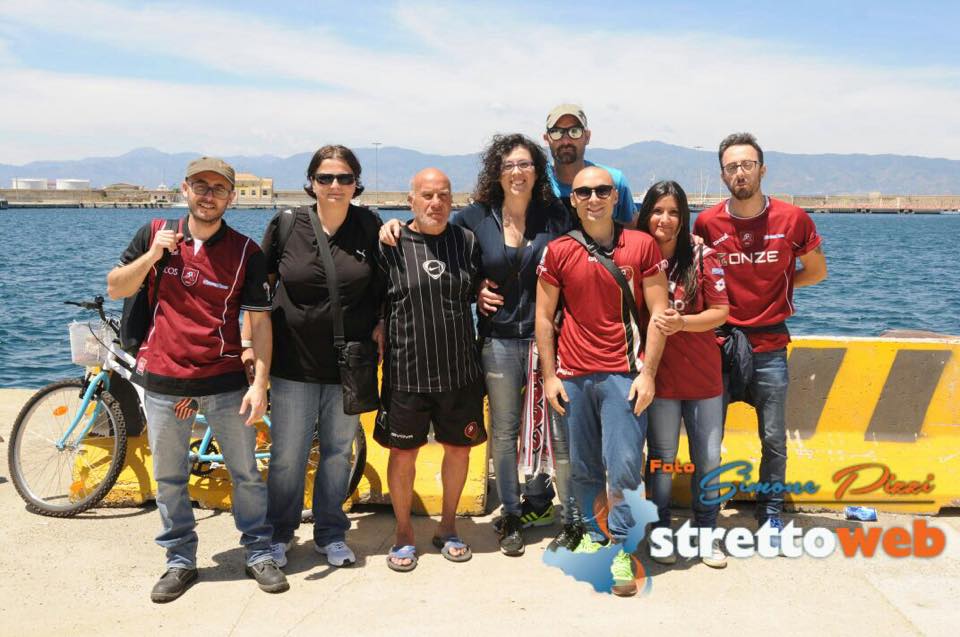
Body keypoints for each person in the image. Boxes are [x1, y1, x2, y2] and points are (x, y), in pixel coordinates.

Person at [379, 135, 575, 556]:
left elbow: (585, 250)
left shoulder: (555, 215)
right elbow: (430, 239)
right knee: (503, 431)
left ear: (537, 170)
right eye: (509, 165)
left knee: (554, 431)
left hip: (546, 341)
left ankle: (556, 511)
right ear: (496, 173)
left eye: (525, 164)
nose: (517, 172)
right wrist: (390, 225)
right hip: (497, 339)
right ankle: (511, 514)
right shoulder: (476, 218)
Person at [106, 157, 288, 602]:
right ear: (185, 190)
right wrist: (154, 255)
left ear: (231, 197)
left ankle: (258, 551)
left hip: (225, 382)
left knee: (246, 474)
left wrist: (260, 384)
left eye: (219, 189)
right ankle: (179, 560)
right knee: (170, 478)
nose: (209, 196)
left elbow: (261, 323)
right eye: (201, 186)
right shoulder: (155, 233)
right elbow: (116, 287)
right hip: (164, 381)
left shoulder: (246, 252)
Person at [243, 145, 385, 569]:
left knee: (338, 452)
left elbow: (385, 288)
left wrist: (382, 326)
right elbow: (259, 293)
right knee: (288, 455)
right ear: (311, 183)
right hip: (293, 364)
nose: (335, 185)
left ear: (356, 183)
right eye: (326, 178)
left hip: (349, 365)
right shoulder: (287, 224)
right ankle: (280, 533)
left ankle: (331, 532)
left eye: (344, 178)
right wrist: (248, 344)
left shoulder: (369, 226)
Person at [535, 166, 669, 597]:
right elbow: (544, 317)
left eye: (602, 190)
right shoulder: (558, 251)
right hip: (574, 376)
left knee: (625, 466)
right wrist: (550, 376)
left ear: (615, 197)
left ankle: (623, 549)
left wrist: (648, 374)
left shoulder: (642, 245)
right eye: (583, 192)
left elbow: (660, 314)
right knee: (585, 466)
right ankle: (597, 536)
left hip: (623, 375)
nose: (593, 198)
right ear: (573, 201)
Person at [693, 133, 827, 547]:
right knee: (708, 442)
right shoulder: (707, 223)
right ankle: (706, 517)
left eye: (747, 165)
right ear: (723, 175)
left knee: (772, 438)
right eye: (732, 167)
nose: (740, 173)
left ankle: (770, 515)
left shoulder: (793, 219)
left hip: (770, 346)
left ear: (762, 170)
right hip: (720, 345)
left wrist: (779, 288)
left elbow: (816, 270)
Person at [374, 168, 487, 572]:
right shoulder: (390, 243)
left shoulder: (467, 242)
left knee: (459, 450)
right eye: (426, 195)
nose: (435, 203)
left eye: (443, 195)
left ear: (453, 201)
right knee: (403, 454)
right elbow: (373, 298)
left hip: (459, 370)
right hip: (406, 372)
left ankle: (448, 527)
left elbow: (481, 288)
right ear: (411, 201)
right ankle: (404, 534)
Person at [635, 180, 730, 568]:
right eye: (657, 211)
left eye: (674, 212)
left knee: (708, 458)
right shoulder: (636, 254)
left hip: (704, 379)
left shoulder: (703, 255)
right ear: (645, 215)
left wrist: (683, 323)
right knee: (662, 459)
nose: (665, 219)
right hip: (660, 380)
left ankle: (707, 532)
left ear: (684, 217)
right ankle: (660, 532)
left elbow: (721, 312)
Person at [543, 103, 636, 224]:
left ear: (587, 137)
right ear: (546, 139)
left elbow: (631, 228)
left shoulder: (612, 181)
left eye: (574, 131)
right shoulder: (536, 182)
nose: (566, 141)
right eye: (556, 132)